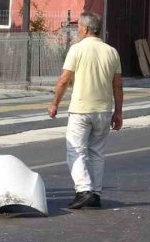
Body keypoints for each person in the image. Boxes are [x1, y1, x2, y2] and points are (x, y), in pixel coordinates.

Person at [47, 11, 123, 210]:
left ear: (86, 29)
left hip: (81, 109)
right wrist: (118, 112)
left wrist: (55, 103)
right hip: (104, 110)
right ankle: (96, 193)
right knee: (96, 152)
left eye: (79, 27)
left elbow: (64, 79)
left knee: (75, 150)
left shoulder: (77, 50)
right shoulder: (112, 51)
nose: (78, 30)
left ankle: (84, 190)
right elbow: (118, 85)